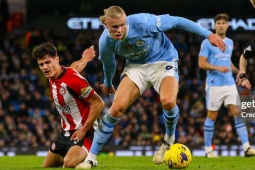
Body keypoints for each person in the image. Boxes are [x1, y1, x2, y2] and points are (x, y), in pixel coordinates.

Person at [79, 6, 226, 169]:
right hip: (136, 67)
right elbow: (109, 64)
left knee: (168, 102)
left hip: (164, 60)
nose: (120, 29)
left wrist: (209, 34)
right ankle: (90, 159)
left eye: (122, 24)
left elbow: (177, 21)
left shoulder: (144, 22)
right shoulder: (105, 42)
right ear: (106, 25)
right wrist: (107, 82)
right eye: (115, 27)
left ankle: (168, 139)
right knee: (115, 109)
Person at [31, 42, 105, 168]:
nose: (44, 67)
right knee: (47, 166)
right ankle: (78, 155)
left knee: (69, 163)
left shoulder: (73, 80)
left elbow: (99, 103)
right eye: (41, 64)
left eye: (48, 62)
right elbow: (75, 66)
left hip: (86, 132)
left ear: (57, 59)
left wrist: (83, 129)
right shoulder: (54, 75)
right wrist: (84, 58)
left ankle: (89, 158)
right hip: (65, 133)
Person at [198, 13, 255, 158]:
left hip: (229, 83)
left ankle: (247, 147)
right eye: (219, 23)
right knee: (212, 116)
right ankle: (208, 150)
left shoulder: (229, 42)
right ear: (214, 25)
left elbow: (227, 62)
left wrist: (237, 71)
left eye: (224, 23)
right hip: (214, 84)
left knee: (239, 113)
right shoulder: (207, 42)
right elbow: (201, 63)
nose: (221, 25)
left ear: (227, 25)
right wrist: (218, 68)